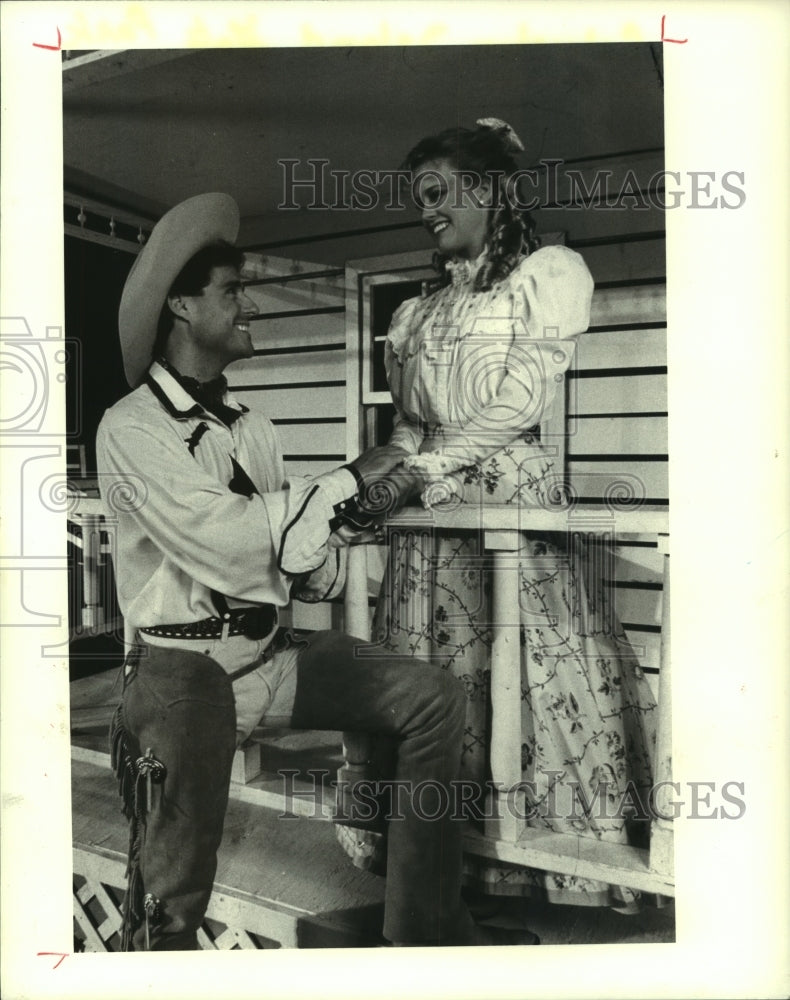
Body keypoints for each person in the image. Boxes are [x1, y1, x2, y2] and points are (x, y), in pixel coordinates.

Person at [97, 192, 535, 950]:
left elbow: (299, 562)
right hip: (182, 669)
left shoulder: (253, 429)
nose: (250, 306)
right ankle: (155, 956)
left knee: (431, 697)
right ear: (182, 305)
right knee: (172, 891)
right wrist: (346, 480)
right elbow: (233, 542)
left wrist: (360, 515)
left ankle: (424, 927)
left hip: (270, 653)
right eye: (233, 291)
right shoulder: (131, 428)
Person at [336, 120, 661, 915]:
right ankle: (449, 854)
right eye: (422, 199)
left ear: (485, 190)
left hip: (507, 497)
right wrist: (394, 472)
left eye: (439, 194)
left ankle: (547, 859)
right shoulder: (417, 314)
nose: (427, 214)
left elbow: (519, 401)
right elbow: (413, 424)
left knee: (525, 666)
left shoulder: (546, 276)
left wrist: (426, 468)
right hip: (430, 515)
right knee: (434, 675)